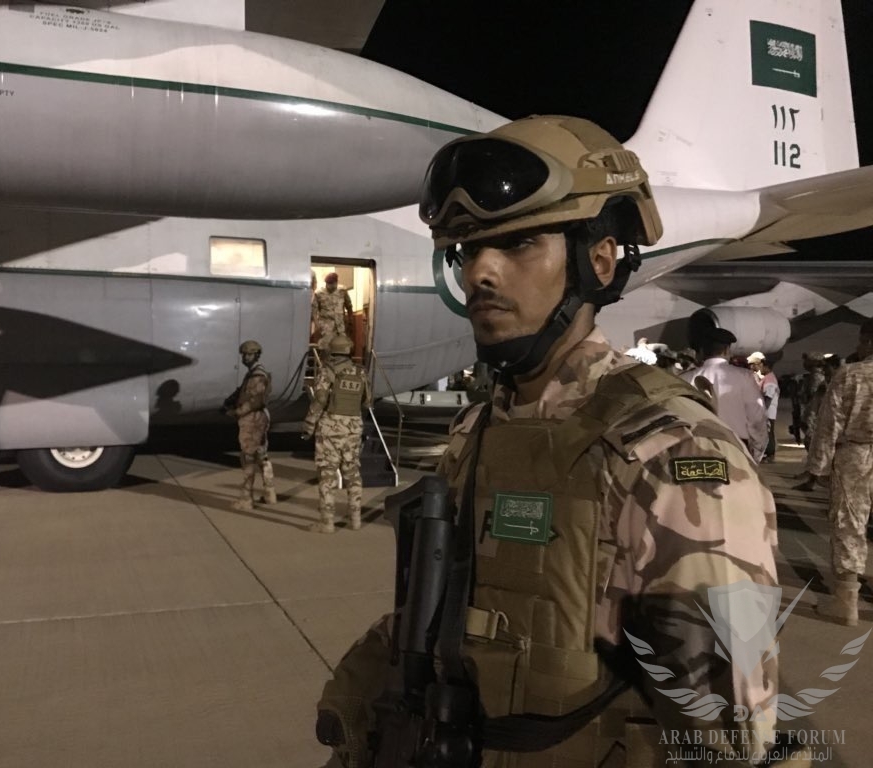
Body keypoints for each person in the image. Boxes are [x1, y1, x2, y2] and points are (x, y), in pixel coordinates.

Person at [315, 116, 791, 767]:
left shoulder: (672, 453)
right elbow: (451, 617)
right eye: (467, 249)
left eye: (519, 244)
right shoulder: (480, 430)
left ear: (599, 261)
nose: (480, 271)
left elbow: (727, 734)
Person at [801, 320, 873, 625]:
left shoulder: (850, 374)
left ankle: (846, 602)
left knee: (850, 524)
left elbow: (829, 424)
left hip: (855, 455)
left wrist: (817, 467)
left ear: (868, 341)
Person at [302, 334, 371, 533]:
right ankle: (355, 520)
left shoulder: (327, 371)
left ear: (332, 351)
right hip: (353, 427)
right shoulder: (361, 372)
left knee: (327, 474)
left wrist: (309, 424)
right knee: (353, 472)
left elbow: (321, 399)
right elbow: (367, 401)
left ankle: (327, 522)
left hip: (331, 428)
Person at [680, 328, 768, 463]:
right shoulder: (745, 377)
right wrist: (756, 452)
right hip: (736, 446)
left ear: (702, 351)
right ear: (727, 350)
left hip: (698, 447)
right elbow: (756, 417)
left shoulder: (685, 379)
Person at [223, 340, 276, 512]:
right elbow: (244, 392)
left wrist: (236, 412)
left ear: (256, 355)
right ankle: (270, 493)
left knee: (248, 459)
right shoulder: (254, 373)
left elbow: (256, 401)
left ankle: (246, 499)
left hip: (253, 419)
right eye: (244, 354)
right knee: (261, 455)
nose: (246, 357)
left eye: (249, 354)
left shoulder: (257, 375)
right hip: (258, 417)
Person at [311, 272, 355, 355]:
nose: (331, 286)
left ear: (336, 282)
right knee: (326, 349)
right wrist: (317, 325)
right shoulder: (319, 293)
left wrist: (350, 320)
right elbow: (314, 310)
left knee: (342, 348)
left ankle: (341, 362)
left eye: (333, 284)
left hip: (340, 327)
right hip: (326, 327)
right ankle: (325, 362)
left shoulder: (342, 291)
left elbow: (349, 306)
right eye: (329, 284)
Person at [749, 352, 780, 461]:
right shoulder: (766, 378)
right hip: (767, 411)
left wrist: (763, 411)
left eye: (761, 366)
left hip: (768, 412)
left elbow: (768, 397)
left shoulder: (770, 380)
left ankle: (770, 454)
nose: (760, 369)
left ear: (767, 367)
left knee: (769, 434)